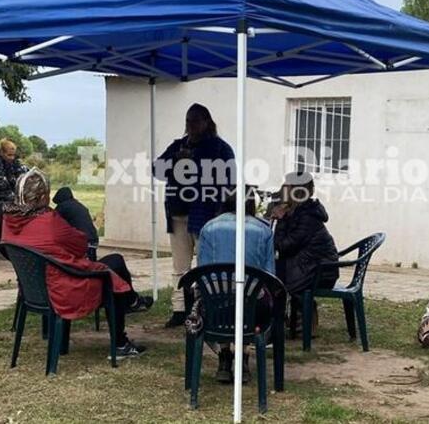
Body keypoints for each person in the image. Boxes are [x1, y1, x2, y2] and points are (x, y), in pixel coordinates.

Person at [1, 169, 149, 359]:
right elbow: (80, 245)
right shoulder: (48, 221)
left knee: (113, 268)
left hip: (32, 289)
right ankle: (122, 336)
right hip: (64, 288)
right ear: (43, 195)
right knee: (115, 265)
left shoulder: (8, 220)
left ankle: (132, 301)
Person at [154, 103, 235, 328]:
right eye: (188, 121)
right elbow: (156, 170)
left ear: (207, 122)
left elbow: (229, 181)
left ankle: (203, 308)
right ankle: (180, 309)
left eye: (196, 121)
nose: (191, 126)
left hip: (206, 216)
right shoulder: (178, 146)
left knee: (205, 266)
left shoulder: (220, 149)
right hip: (178, 215)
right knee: (180, 267)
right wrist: (175, 162)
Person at [197, 186, 275, 383]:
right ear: (252, 204)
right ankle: (244, 356)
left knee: (216, 298)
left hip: (215, 309)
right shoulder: (264, 230)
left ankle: (224, 357)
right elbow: (269, 275)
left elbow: (202, 273)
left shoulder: (208, 228)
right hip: (253, 309)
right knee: (258, 299)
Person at [52, 186, 153, 312]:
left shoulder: (62, 208)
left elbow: (54, 224)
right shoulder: (79, 205)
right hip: (93, 241)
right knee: (108, 263)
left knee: (95, 268)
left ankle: (128, 300)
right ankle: (130, 301)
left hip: (82, 246)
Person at [271, 172, 339, 335]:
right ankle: (288, 320)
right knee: (272, 272)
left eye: (286, 186)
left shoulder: (308, 216)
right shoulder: (300, 212)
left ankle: (276, 325)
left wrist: (280, 219)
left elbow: (283, 246)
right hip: (308, 265)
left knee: (271, 278)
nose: (282, 190)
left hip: (320, 271)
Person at [0, 138, 28, 203]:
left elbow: (22, 177)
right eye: (9, 155)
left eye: (13, 155)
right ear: (2, 153)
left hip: (15, 193)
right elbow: (1, 185)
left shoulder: (16, 162)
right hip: (0, 196)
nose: (12, 158)